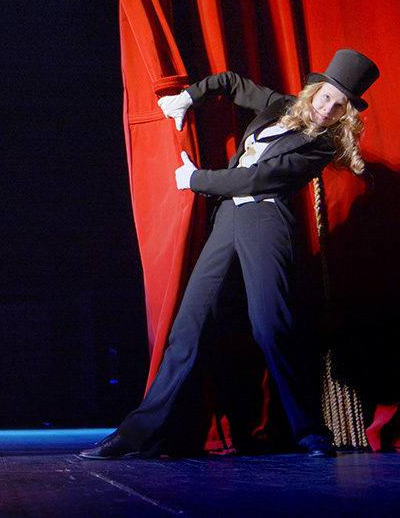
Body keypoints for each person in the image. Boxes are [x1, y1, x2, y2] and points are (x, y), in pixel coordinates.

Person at [80, 49, 377, 460]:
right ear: (314, 91)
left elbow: (258, 178)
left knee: (270, 327)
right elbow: (232, 82)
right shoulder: (280, 106)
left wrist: (196, 179)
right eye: (326, 97)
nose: (328, 109)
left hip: (266, 222)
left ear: (345, 114)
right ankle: (137, 433)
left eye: (339, 105)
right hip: (228, 220)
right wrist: (189, 98)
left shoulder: (320, 147)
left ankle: (310, 431)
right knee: (189, 324)